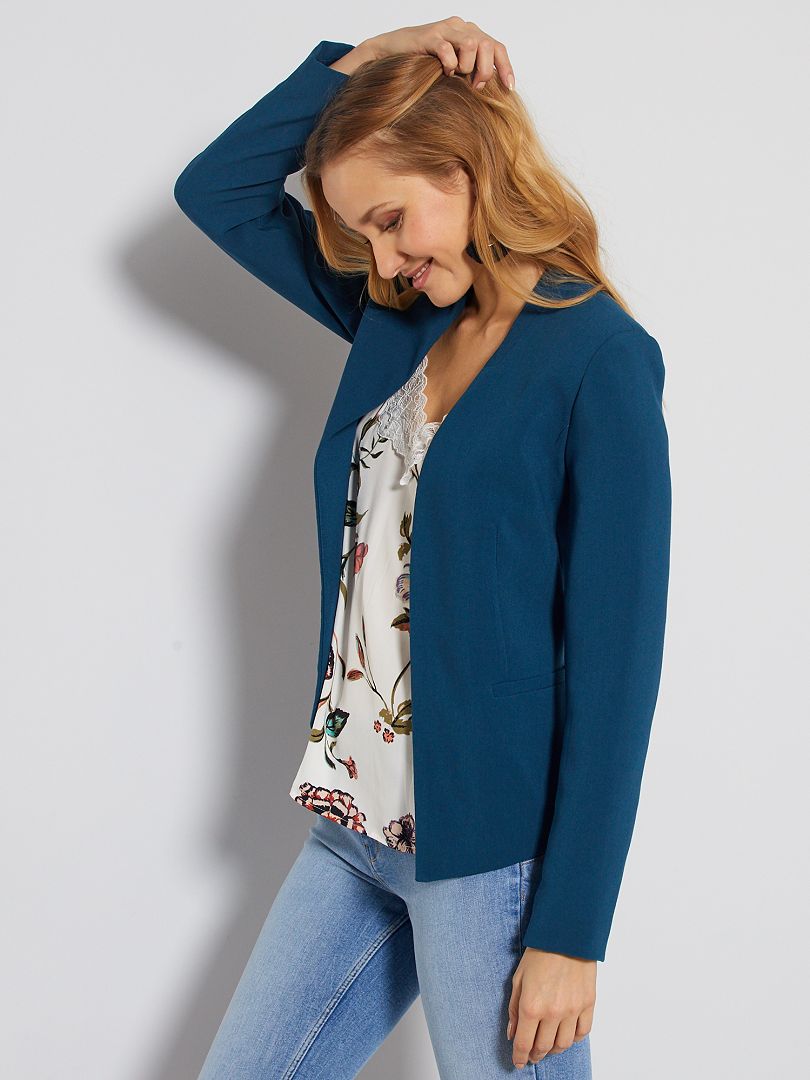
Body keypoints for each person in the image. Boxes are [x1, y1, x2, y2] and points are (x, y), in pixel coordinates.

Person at [174, 18, 671, 1078]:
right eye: (365, 238)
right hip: (353, 822)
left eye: (394, 220)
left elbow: (619, 669)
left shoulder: (599, 359)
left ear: (467, 163)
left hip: (486, 855)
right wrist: (372, 60)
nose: (387, 260)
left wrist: (572, 931)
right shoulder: (398, 321)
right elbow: (218, 191)